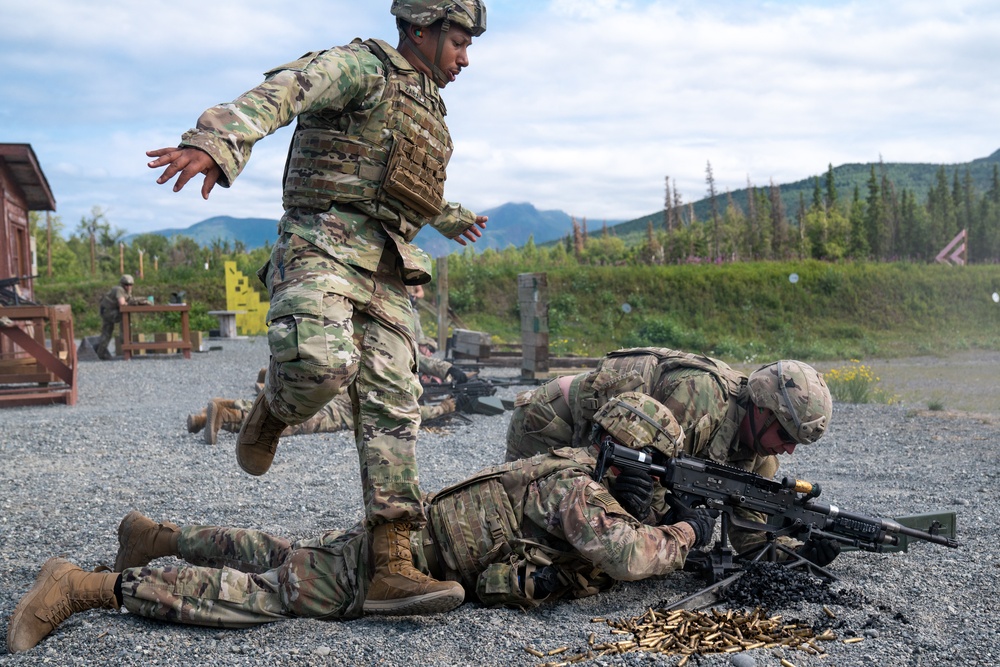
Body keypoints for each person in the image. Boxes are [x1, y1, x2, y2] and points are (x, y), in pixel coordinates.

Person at [146, 0, 488, 614]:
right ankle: (271, 412)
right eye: (459, 42)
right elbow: (285, 91)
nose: (466, 57)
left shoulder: (429, 109)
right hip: (321, 243)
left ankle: (392, 563)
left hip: (386, 264)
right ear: (420, 30)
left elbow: (400, 187)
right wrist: (217, 142)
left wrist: (453, 215)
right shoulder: (361, 67)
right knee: (322, 365)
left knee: (393, 403)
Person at [7, 394, 718, 654]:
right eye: (648, 468)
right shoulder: (578, 490)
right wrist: (685, 535)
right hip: (402, 565)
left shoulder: (565, 469)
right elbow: (628, 554)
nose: (646, 481)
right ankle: (86, 586)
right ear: (627, 453)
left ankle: (161, 535)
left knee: (290, 554)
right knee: (270, 592)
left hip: (407, 547)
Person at [505, 347, 837, 562]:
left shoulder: (760, 455)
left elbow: (749, 538)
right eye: (784, 434)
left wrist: (800, 555)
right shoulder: (702, 401)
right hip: (555, 420)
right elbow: (643, 480)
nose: (789, 448)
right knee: (528, 530)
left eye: (797, 442)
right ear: (763, 409)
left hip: (608, 448)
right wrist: (674, 527)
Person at [94, 274, 148, 360]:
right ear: (122, 284)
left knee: (106, 333)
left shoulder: (126, 292)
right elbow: (122, 303)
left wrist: (142, 300)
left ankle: (100, 353)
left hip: (108, 311)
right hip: (108, 312)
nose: (128, 287)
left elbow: (129, 300)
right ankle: (125, 343)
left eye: (130, 285)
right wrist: (134, 303)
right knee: (123, 318)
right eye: (126, 284)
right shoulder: (119, 289)